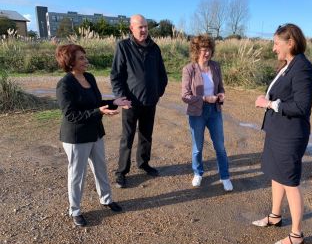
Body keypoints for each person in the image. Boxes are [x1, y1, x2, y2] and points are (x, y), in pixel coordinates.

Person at [252, 24, 312, 244]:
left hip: (291, 135)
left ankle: (297, 235)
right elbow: (284, 95)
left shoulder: (302, 68)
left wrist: (269, 103)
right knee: (275, 174)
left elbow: (302, 106)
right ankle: (275, 215)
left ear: (290, 43)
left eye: (276, 43)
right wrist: (268, 98)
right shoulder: (289, 65)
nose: (273, 48)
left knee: (290, 181)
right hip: (278, 131)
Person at [56, 44, 131, 227]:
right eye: (81, 58)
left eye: (85, 57)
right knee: (77, 174)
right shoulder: (64, 84)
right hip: (76, 137)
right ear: (70, 62)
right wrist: (100, 112)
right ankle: (75, 210)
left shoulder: (89, 77)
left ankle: (106, 199)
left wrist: (114, 102)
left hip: (95, 132)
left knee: (100, 167)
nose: (86, 60)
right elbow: (71, 115)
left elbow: (96, 103)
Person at [111, 14, 168, 188]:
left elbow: (162, 75)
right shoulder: (123, 47)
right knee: (127, 138)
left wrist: (157, 94)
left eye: (145, 27)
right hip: (130, 103)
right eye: (140, 27)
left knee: (146, 136)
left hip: (150, 102)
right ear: (131, 28)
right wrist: (122, 98)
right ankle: (121, 172)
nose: (144, 30)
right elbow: (116, 76)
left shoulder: (154, 48)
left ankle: (143, 164)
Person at [182, 34, 233, 191]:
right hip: (197, 113)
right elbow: (185, 96)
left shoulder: (216, 66)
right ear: (197, 50)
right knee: (198, 147)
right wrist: (204, 98)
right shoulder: (189, 69)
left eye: (209, 49)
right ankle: (198, 173)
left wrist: (221, 95)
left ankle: (224, 176)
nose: (207, 53)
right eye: (204, 49)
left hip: (215, 111)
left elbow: (221, 87)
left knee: (220, 147)